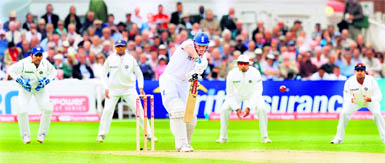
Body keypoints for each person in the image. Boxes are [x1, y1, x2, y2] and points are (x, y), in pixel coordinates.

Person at [159, 32, 209, 152]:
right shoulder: (188, 44)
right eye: (199, 45)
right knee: (177, 109)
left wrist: (196, 72)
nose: (201, 48)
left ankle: (187, 143)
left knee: (191, 116)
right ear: (195, 43)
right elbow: (188, 49)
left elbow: (195, 75)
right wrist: (198, 59)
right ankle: (181, 144)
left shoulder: (204, 60)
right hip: (170, 79)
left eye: (204, 46)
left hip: (184, 83)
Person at [97, 40, 155, 142]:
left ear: (125, 47)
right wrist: (106, 87)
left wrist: (140, 87)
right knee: (107, 111)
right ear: (115, 47)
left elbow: (139, 73)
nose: (120, 48)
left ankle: (149, 134)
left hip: (129, 89)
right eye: (118, 46)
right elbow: (103, 74)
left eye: (122, 46)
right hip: (113, 89)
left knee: (139, 110)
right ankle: (101, 135)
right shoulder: (110, 59)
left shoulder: (130, 58)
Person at [216, 55, 271, 143]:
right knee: (224, 109)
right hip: (237, 94)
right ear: (237, 64)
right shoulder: (232, 74)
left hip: (252, 94)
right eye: (241, 63)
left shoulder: (255, 72)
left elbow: (258, 91)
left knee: (262, 109)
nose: (243, 66)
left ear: (249, 64)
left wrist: (249, 107)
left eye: (245, 64)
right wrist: (236, 108)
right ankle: (223, 138)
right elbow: (229, 94)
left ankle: (265, 137)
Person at [7, 46, 57, 144]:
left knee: (48, 109)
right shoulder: (24, 63)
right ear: (31, 55)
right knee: (22, 110)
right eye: (36, 55)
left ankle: (42, 134)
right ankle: (26, 136)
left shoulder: (45, 63)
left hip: (40, 89)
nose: (38, 57)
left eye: (40, 55)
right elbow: (11, 70)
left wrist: (46, 81)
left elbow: (53, 72)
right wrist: (21, 81)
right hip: (26, 89)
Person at [331, 63, 385, 144]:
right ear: (354, 71)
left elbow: (379, 96)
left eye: (361, 70)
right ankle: (338, 138)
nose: (359, 72)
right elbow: (345, 96)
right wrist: (351, 100)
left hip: (370, 101)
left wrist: (370, 99)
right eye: (357, 70)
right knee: (344, 113)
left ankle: (384, 137)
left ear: (365, 71)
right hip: (355, 101)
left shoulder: (371, 80)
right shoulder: (349, 81)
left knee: (377, 114)